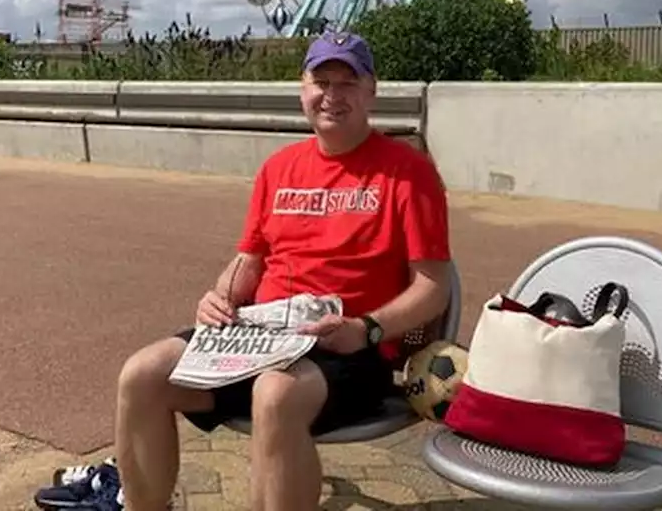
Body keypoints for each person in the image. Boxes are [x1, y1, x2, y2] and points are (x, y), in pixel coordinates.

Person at [113, 30, 453, 511]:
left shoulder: (407, 172)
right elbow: (249, 259)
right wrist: (220, 296)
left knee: (275, 394)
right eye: (321, 81)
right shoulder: (279, 167)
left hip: (351, 349)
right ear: (302, 90)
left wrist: (368, 328)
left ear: (371, 91)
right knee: (142, 374)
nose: (332, 95)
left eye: (347, 83)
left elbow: (434, 286)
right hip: (260, 337)